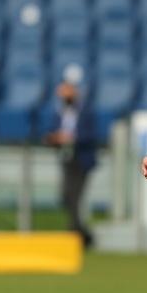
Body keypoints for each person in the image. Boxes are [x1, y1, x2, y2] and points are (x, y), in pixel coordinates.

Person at [45, 81, 96, 248]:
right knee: (66, 196)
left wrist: (71, 138)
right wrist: (54, 138)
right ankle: (82, 233)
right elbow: (53, 130)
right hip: (66, 158)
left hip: (81, 160)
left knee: (75, 197)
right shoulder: (60, 111)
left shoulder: (85, 110)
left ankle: (75, 233)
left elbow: (90, 135)